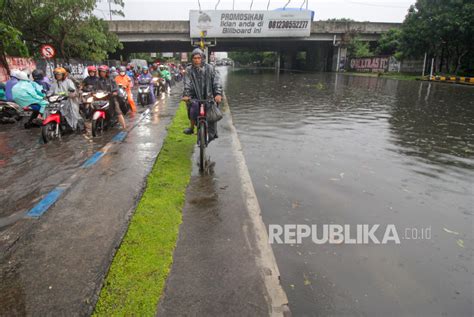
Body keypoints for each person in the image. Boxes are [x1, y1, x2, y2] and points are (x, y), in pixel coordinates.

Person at [182, 48, 222, 140]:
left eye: (199, 58)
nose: (197, 60)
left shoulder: (210, 68)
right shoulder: (189, 69)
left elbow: (216, 81)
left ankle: (212, 133)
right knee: (192, 109)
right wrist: (187, 95)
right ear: (192, 59)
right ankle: (192, 128)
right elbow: (187, 83)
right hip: (194, 97)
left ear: (202, 58)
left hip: (208, 97)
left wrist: (218, 94)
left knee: (212, 116)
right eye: (195, 58)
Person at [49, 67, 84, 131]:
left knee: (73, 114)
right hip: (57, 101)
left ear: (63, 75)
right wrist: (47, 95)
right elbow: (50, 91)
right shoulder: (54, 83)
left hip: (68, 101)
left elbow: (73, 91)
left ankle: (75, 127)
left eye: (59, 74)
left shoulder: (68, 81)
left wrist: (70, 94)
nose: (58, 76)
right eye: (56, 75)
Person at [96, 65, 126, 129]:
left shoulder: (111, 79)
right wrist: (92, 92)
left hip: (111, 98)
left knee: (118, 111)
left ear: (107, 72)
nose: (102, 73)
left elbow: (116, 87)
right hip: (102, 98)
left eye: (103, 72)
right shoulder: (98, 80)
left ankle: (124, 127)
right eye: (101, 72)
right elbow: (94, 88)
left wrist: (115, 92)